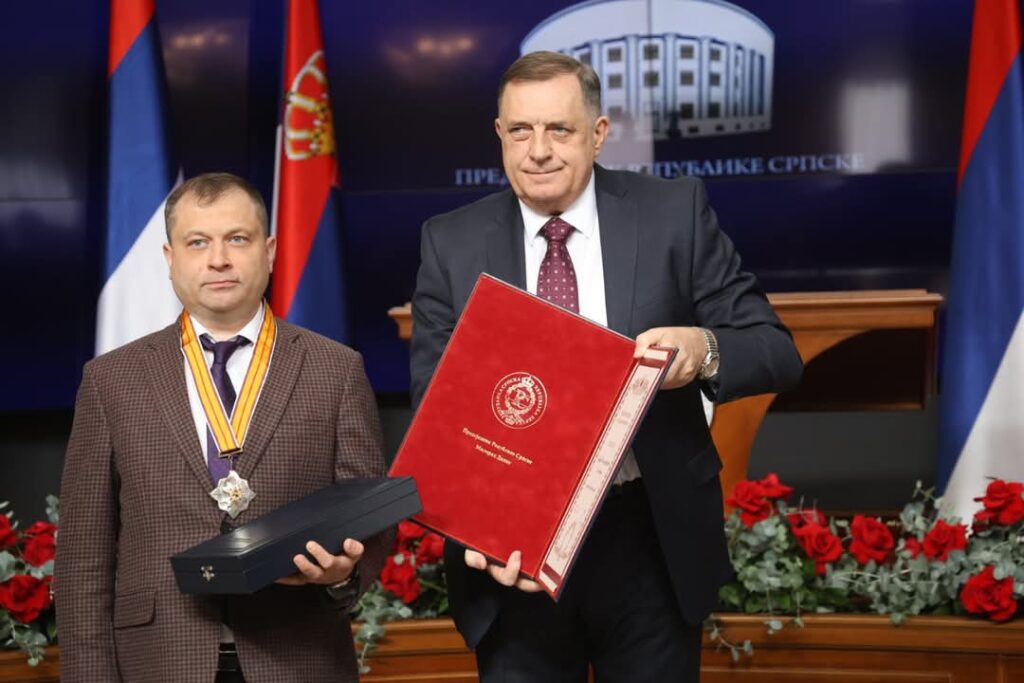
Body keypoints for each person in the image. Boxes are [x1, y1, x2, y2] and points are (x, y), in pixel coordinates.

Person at [410, 52, 803, 682]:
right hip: (513, 547)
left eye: (559, 130)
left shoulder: (672, 213)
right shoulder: (451, 241)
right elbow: (437, 408)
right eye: (520, 131)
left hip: (647, 535)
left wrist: (701, 348)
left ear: (597, 134)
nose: (538, 150)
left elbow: (774, 349)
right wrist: (483, 527)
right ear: (500, 134)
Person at [55, 173, 389, 682]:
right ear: (170, 258)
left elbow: (370, 514)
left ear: (269, 251)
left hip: (298, 657)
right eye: (198, 242)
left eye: (237, 238)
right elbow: (83, 558)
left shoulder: (336, 369)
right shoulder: (111, 381)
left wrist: (346, 572)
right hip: (159, 661)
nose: (218, 259)